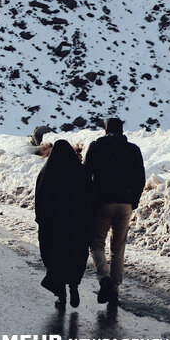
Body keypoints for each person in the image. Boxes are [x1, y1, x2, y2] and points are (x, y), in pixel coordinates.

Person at [85, 118, 145, 305]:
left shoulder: (95, 147)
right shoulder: (133, 149)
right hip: (125, 204)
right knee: (118, 248)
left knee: (96, 245)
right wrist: (133, 201)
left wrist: (90, 201)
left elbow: (86, 175)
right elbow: (140, 178)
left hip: (103, 203)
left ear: (105, 131)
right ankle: (115, 289)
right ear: (122, 131)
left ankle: (105, 278)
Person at [35, 140, 91, 309]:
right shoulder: (80, 171)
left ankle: (61, 293)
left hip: (53, 225)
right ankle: (73, 286)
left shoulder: (46, 172)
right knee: (75, 255)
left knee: (55, 257)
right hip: (76, 225)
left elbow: (39, 198)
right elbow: (89, 196)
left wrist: (41, 220)